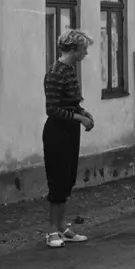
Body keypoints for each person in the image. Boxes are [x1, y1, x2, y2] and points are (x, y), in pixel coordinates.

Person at [43, 28, 96, 249]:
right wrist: (79, 118)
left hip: (70, 131)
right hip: (57, 132)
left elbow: (71, 103)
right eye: (83, 49)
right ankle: (51, 230)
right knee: (57, 180)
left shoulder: (70, 70)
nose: (85, 53)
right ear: (73, 49)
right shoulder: (56, 72)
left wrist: (83, 113)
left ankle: (63, 226)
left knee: (67, 179)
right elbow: (52, 110)